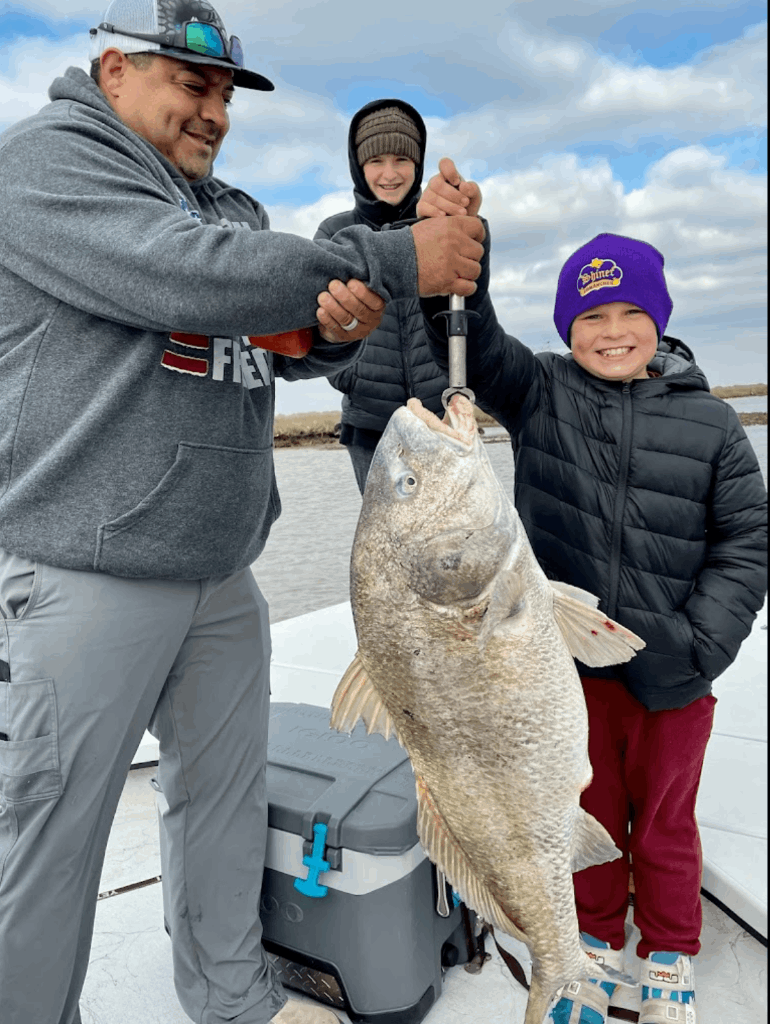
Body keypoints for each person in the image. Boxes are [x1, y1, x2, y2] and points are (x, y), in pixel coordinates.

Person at [0, 1, 486, 1020]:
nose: (212, 110)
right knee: (52, 833)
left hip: (221, 570)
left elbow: (256, 322)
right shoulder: (46, 165)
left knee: (222, 807)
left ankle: (230, 999)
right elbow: (176, 272)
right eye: (191, 83)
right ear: (113, 68)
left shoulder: (228, 207)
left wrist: (331, 330)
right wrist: (401, 261)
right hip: (90, 570)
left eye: (223, 93)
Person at [417, 162, 767, 1024]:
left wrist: (701, 643)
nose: (611, 332)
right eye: (590, 317)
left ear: (660, 321)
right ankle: (597, 938)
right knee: (589, 817)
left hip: (677, 675)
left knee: (665, 826)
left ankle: (672, 953)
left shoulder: (714, 423)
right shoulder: (539, 391)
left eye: (629, 314)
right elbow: (473, 338)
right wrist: (465, 253)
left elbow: (748, 540)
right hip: (563, 678)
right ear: (568, 327)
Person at [314, 99, 450, 493]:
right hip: (370, 428)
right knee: (389, 548)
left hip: (440, 425)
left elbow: (472, 318)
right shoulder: (334, 232)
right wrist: (351, 377)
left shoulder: (442, 229)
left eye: (401, 159)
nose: (389, 174)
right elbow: (318, 326)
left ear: (418, 163)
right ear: (358, 165)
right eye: (375, 161)